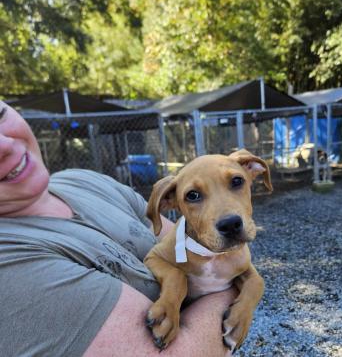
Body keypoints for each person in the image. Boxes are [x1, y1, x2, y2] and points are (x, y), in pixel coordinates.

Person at [0, 101, 235, 357]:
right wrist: (237, 286)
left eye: (0, 115)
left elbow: (200, 248)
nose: (5, 145)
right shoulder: (9, 266)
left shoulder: (83, 180)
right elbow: (185, 352)